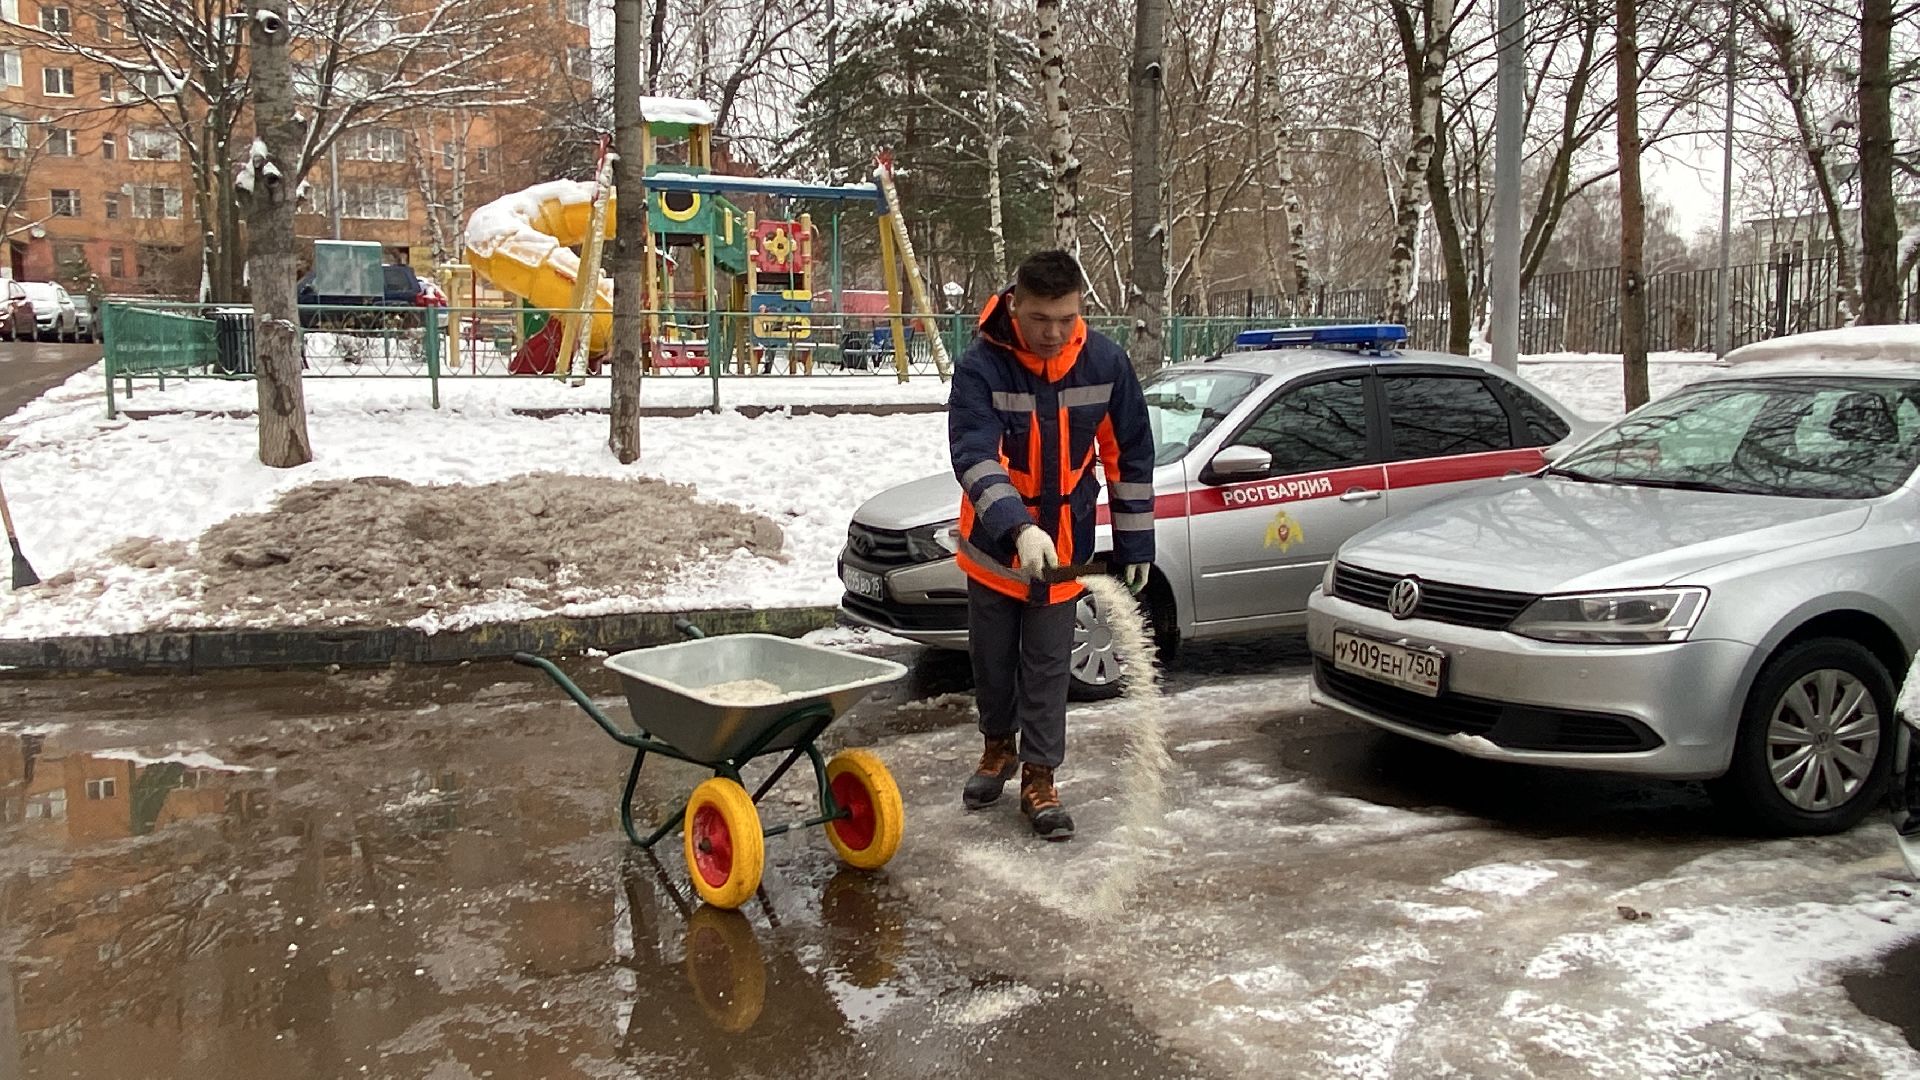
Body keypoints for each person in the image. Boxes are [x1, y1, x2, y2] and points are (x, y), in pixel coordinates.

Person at [946, 249, 1157, 841]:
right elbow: (973, 454)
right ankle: (997, 748)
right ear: (1015, 305)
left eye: (1067, 318)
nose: (1054, 332)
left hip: (1066, 550)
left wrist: (1136, 541)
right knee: (992, 664)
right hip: (995, 549)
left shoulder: (1106, 364)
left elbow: (1129, 455)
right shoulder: (982, 366)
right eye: (1041, 318)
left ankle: (1040, 778)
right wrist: (1016, 526)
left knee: (1046, 668)